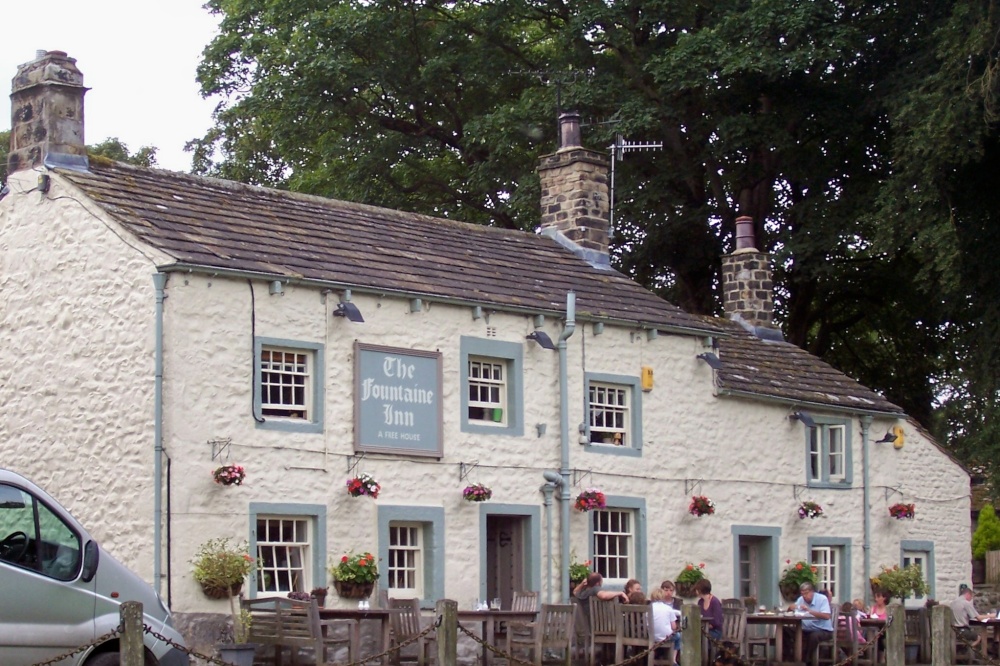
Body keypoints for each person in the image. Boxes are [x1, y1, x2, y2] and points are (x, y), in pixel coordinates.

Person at [784, 582, 833, 661]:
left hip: (823, 630)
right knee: (785, 630)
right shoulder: (801, 599)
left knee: (813, 636)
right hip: (805, 629)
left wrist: (809, 611)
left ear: (812, 592)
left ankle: (806, 660)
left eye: (806, 594)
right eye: (802, 594)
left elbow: (827, 616)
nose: (804, 596)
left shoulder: (822, 599)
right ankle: (788, 656)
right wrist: (790, 608)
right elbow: (793, 611)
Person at [951, 583, 988, 654]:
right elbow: (979, 618)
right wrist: (991, 616)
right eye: (971, 597)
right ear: (968, 594)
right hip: (962, 630)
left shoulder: (953, 603)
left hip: (953, 630)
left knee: (972, 633)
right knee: (978, 637)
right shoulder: (965, 603)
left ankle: (965, 651)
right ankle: (968, 651)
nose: (971, 599)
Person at [651, 587, 680, 662]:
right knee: (679, 636)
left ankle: (657, 658)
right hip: (666, 637)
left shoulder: (649, 608)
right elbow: (674, 627)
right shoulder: (668, 608)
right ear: (663, 597)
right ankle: (673, 660)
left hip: (652, 637)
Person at [660, 580, 683, 660]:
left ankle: (675, 659)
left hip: (675, 627)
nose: (668, 592)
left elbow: (680, 616)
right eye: (666, 590)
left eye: (671, 590)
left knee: (681, 636)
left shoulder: (678, 602)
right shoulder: (659, 602)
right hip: (662, 628)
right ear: (661, 591)